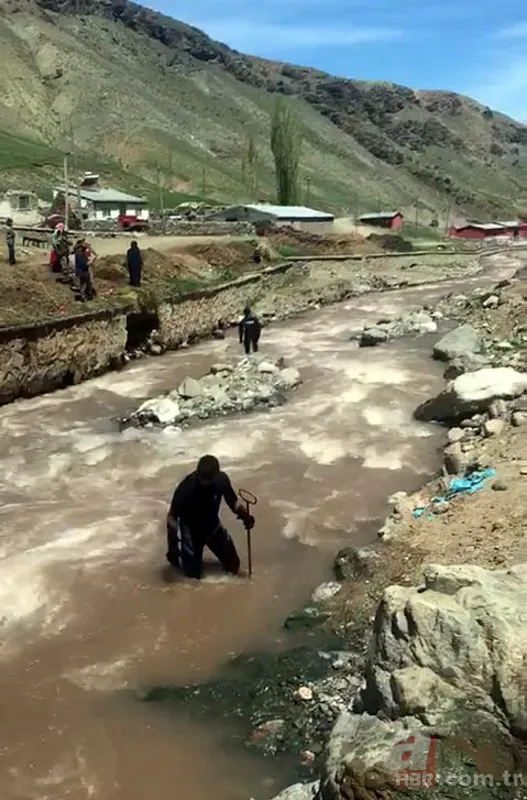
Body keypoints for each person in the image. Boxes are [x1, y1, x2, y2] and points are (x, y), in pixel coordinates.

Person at [166, 454, 255, 580]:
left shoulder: (222, 480)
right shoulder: (186, 488)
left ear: (216, 475)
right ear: (197, 473)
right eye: (203, 478)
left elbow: (232, 501)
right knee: (192, 577)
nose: (206, 483)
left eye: (209, 479)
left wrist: (244, 515)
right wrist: (172, 546)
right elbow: (172, 518)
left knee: (234, 565)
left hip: (212, 526)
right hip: (191, 532)